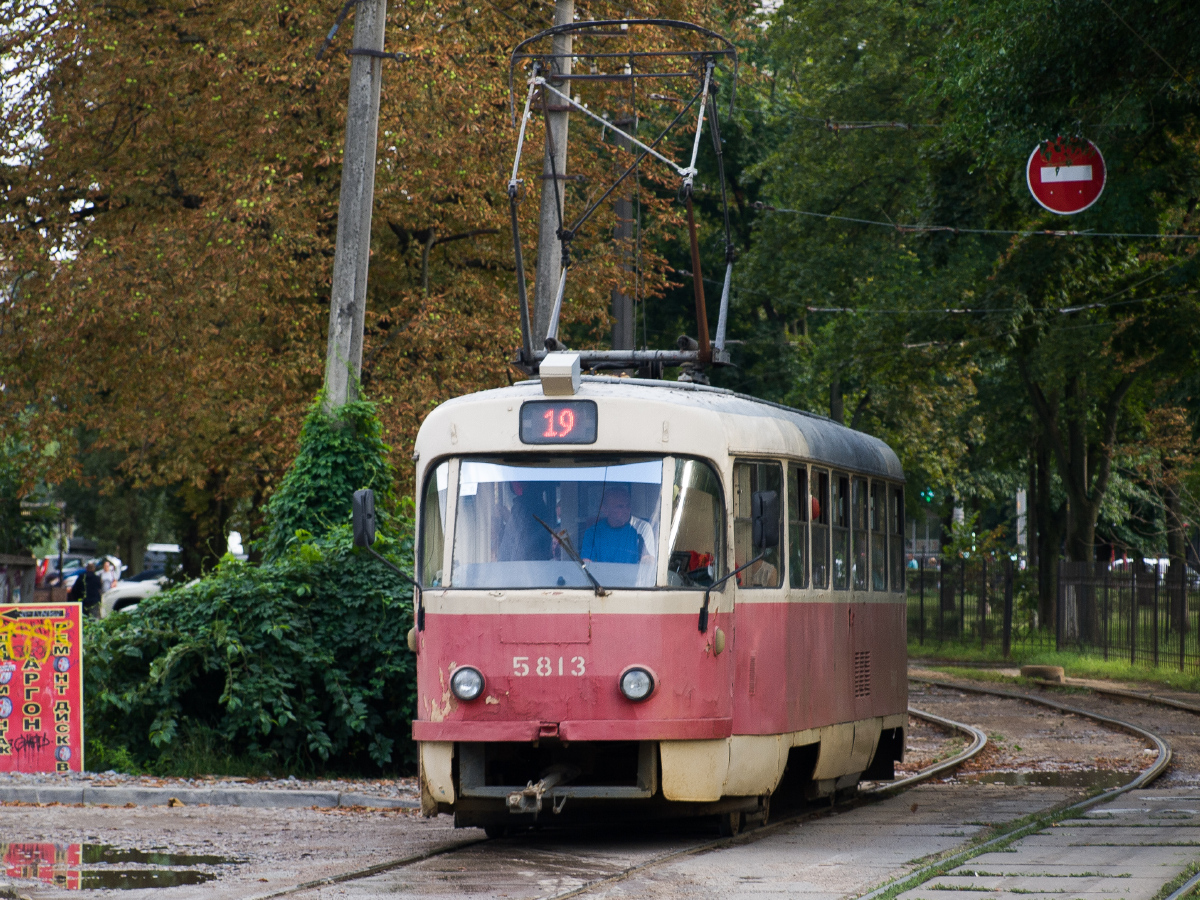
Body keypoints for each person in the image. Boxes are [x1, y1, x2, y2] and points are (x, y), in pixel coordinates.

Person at [581, 486, 652, 565]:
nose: (626, 510)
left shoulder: (640, 530)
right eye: (620, 507)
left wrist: (647, 559)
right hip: (601, 573)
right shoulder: (592, 532)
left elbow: (649, 562)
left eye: (628, 506)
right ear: (605, 509)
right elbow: (587, 563)